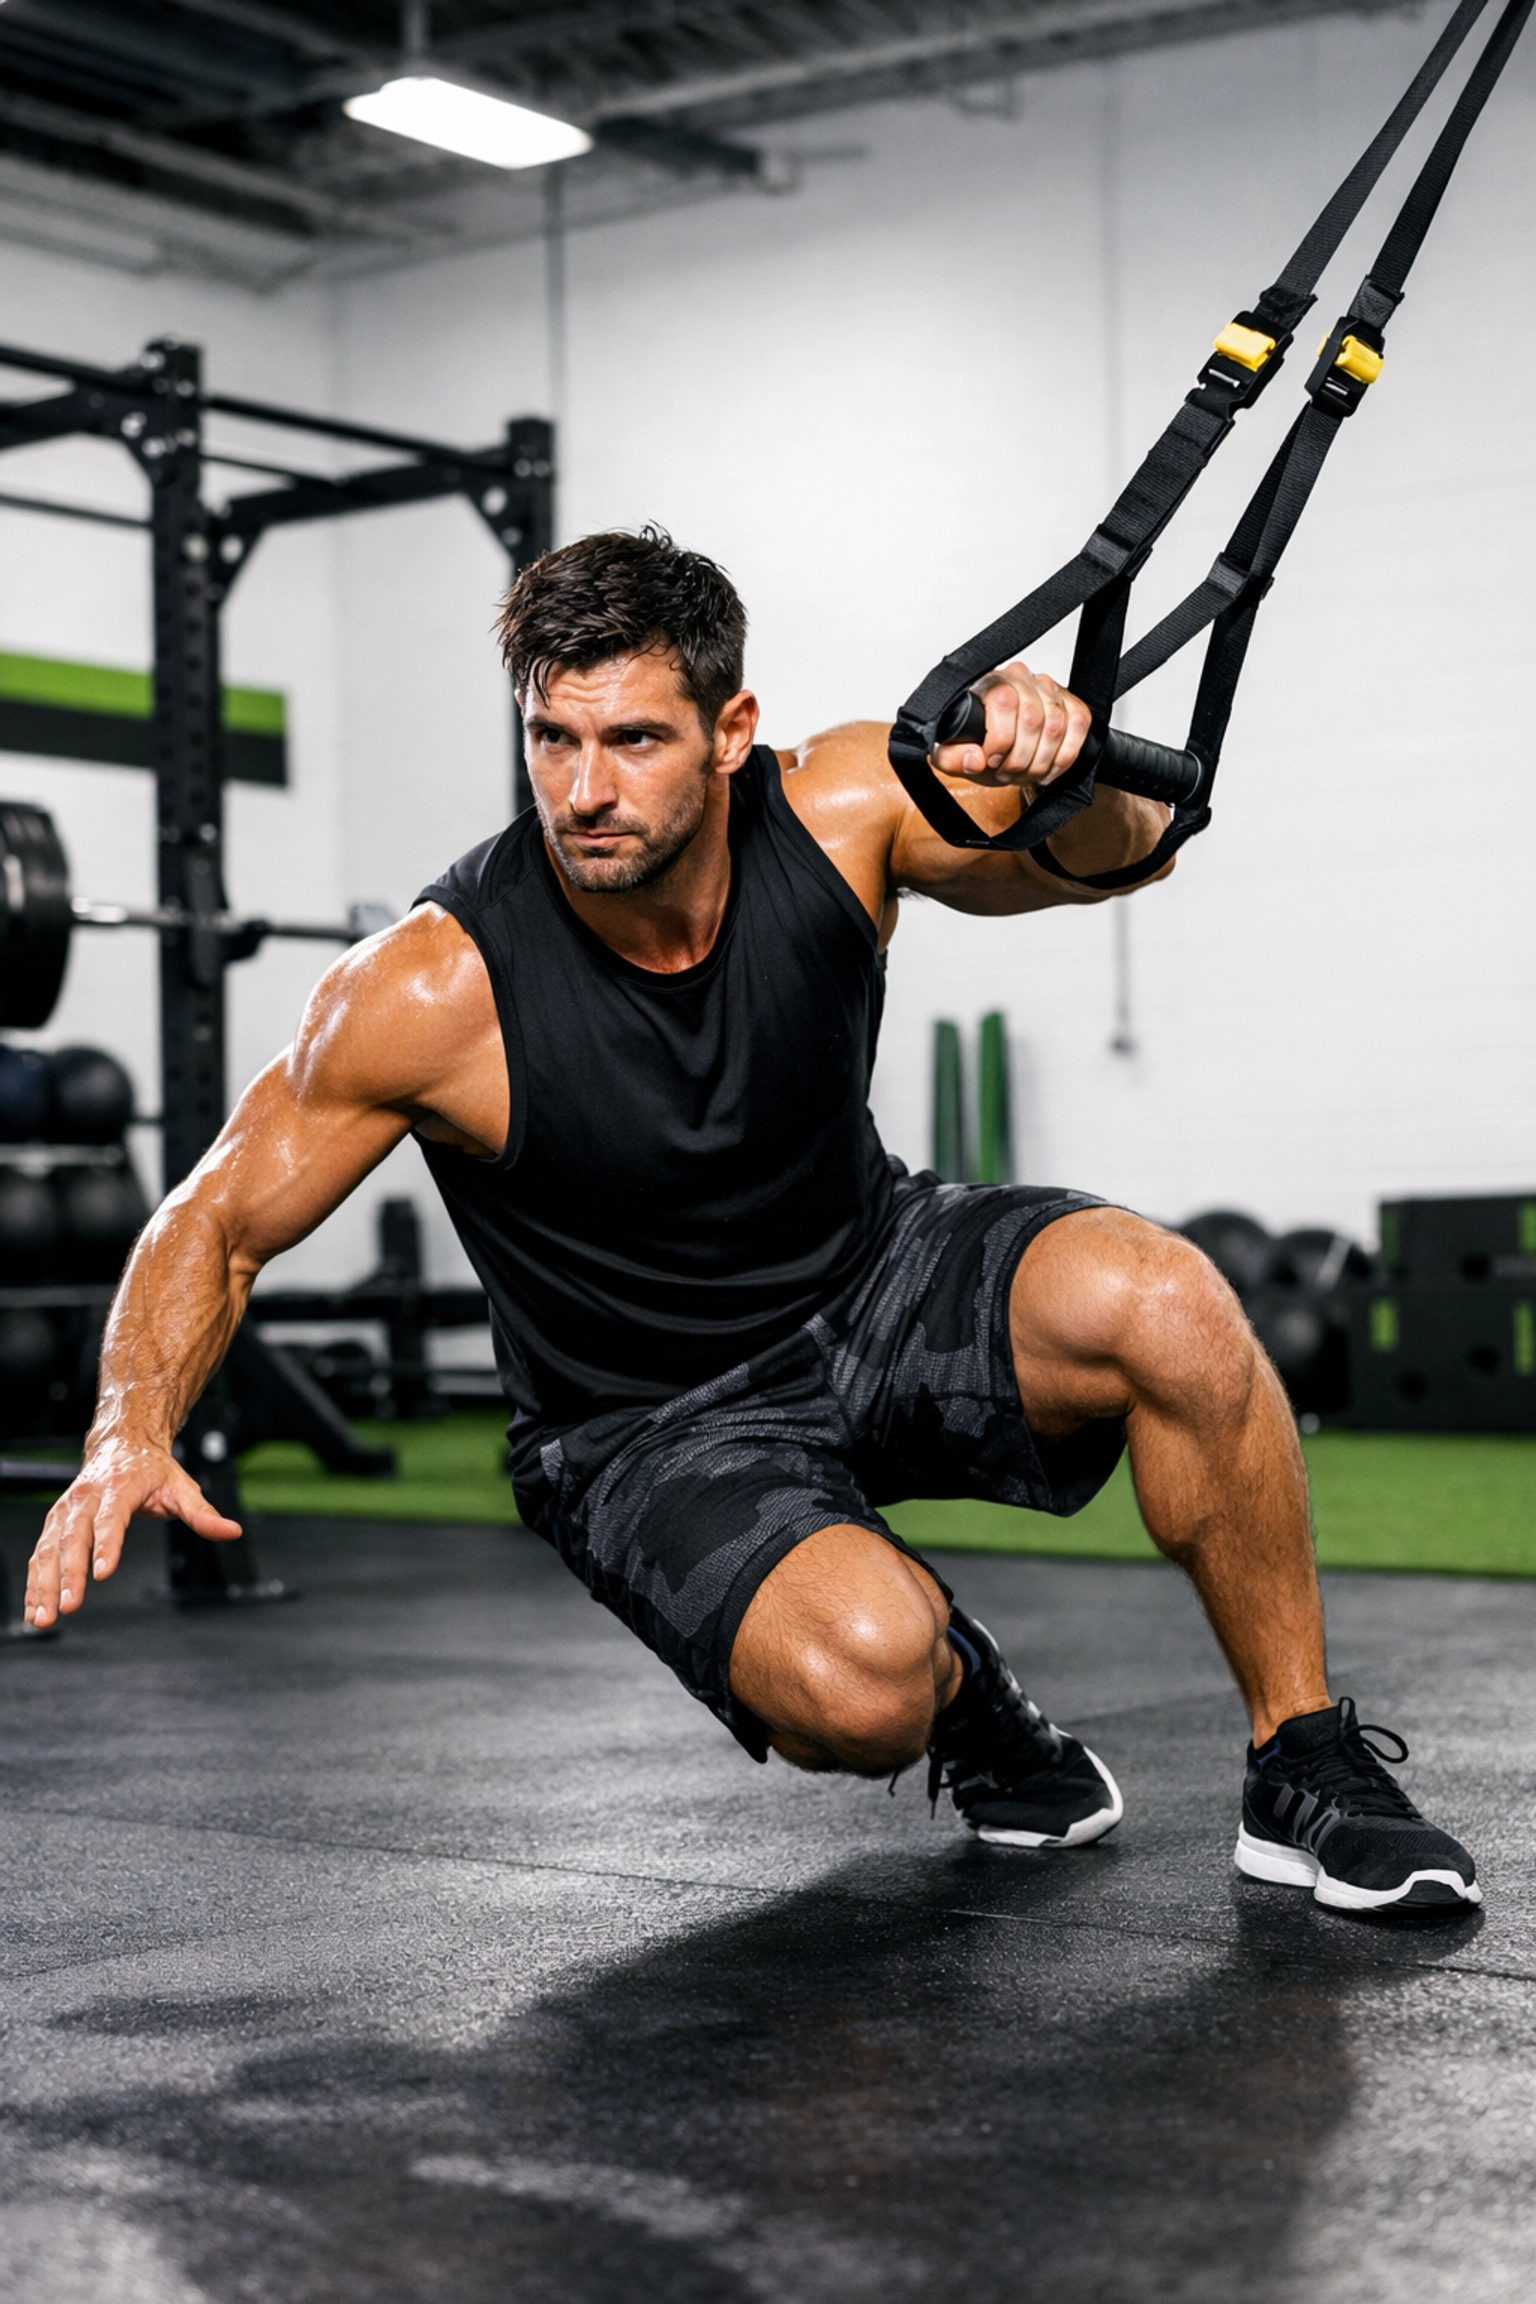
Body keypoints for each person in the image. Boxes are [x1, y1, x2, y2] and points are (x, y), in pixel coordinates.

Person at [26, 527, 1478, 1917]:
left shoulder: (840, 808)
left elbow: (1126, 851)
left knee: (1169, 1299)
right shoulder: (427, 989)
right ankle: (969, 1694)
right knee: (868, 1687)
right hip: (645, 1421)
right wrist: (126, 1427)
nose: (585, 789)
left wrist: (1068, 762)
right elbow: (212, 1217)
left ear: (731, 732)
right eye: (553, 739)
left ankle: (1301, 1761)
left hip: (875, 1274)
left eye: (636, 740)